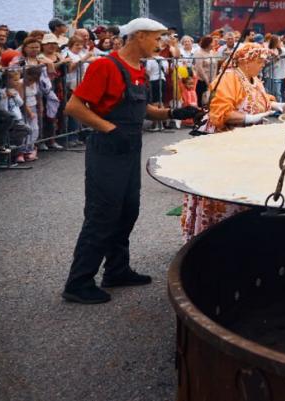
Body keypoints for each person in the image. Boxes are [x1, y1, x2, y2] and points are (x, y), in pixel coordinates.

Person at [62, 18, 203, 304]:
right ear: (138, 36)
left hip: (129, 149)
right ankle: (78, 282)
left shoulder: (138, 70)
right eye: (156, 38)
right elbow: (74, 106)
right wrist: (110, 129)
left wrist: (172, 114)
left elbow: (143, 109)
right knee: (102, 215)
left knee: (128, 210)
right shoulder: (105, 66)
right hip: (107, 150)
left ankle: (116, 270)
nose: (160, 44)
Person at [181, 42, 285, 242]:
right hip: (226, 142)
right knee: (225, 188)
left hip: (248, 143)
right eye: (259, 61)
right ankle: (217, 234)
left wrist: (281, 105)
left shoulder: (252, 78)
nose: (262, 64)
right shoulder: (229, 77)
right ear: (246, 61)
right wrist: (248, 119)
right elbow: (220, 112)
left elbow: (261, 99)